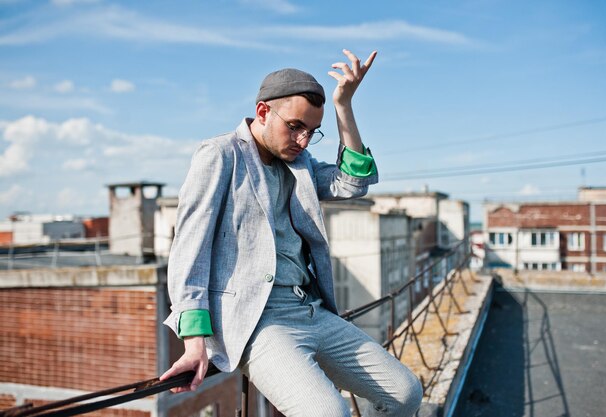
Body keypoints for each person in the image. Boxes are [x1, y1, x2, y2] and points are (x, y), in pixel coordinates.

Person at [160, 49, 423, 417]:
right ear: (264, 111)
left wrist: (343, 105)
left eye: (312, 132)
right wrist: (194, 341)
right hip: (258, 322)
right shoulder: (219, 155)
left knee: (405, 392)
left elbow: (353, 184)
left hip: (311, 309)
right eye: (295, 126)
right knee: (329, 413)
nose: (302, 140)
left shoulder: (298, 162)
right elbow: (190, 251)